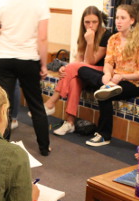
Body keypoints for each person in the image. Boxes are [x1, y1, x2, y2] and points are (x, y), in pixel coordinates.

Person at [78, 5, 139, 147]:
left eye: (123, 18)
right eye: (117, 18)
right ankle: (106, 85)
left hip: (133, 83)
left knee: (105, 94)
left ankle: (104, 135)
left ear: (132, 20)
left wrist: (121, 76)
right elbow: (109, 62)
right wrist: (106, 74)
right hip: (114, 79)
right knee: (82, 70)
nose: (118, 21)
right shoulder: (113, 39)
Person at [0, 0, 51, 156]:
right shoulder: (40, 3)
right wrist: (43, 65)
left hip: (3, 57)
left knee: (4, 105)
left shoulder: (0, 2)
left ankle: (1, 146)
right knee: (36, 104)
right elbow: (42, 38)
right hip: (28, 59)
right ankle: (44, 147)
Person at [44, 6, 111, 136]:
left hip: (102, 74)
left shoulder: (106, 35)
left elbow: (89, 63)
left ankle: (52, 101)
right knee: (74, 81)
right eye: (87, 22)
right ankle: (70, 123)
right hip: (85, 73)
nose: (90, 25)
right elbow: (78, 62)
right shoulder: (83, 36)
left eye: (94, 22)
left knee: (75, 69)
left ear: (100, 21)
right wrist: (66, 68)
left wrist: (90, 43)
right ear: (83, 23)